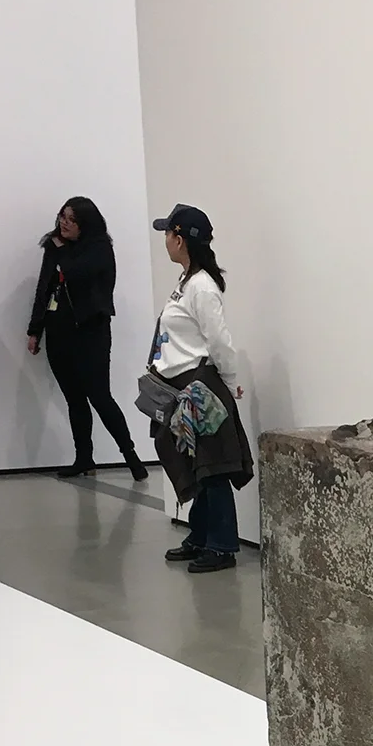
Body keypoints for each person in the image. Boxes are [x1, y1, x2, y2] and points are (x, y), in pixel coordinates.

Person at [142, 204, 251, 574]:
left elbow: (219, 341)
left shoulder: (202, 286)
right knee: (195, 466)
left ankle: (221, 546)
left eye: (167, 233)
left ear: (180, 239)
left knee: (212, 467)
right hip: (183, 386)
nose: (165, 241)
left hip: (201, 388)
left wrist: (229, 385)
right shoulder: (187, 281)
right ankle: (201, 535)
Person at [27, 197, 147, 481]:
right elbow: (44, 288)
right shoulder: (54, 246)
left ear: (86, 223)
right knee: (74, 398)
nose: (64, 223)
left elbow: (75, 272)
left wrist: (60, 251)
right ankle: (84, 458)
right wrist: (35, 329)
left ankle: (131, 455)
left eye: (72, 219)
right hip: (59, 331)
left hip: (91, 331)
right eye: (62, 216)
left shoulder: (99, 248)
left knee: (99, 395)